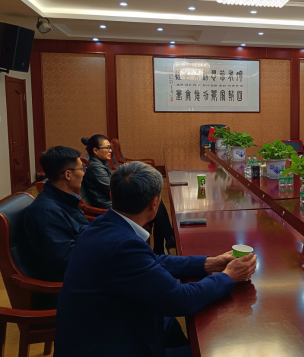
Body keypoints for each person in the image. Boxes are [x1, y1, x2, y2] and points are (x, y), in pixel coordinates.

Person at [55, 162, 258, 357]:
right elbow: (181, 299)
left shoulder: (104, 223)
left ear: (111, 195)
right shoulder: (123, 246)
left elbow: (154, 261)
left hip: (107, 327)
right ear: (155, 204)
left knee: (176, 330)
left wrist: (210, 262)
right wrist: (229, 276)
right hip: (108, 345)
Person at [80, 135, 175, 254]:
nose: (110, 150)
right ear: (95, 150)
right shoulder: (95, 167)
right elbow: (114, 190)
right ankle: (167, 239)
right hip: (108, 205)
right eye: (107, 148)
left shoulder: (100, 162)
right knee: (153, 202)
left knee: (154, 201)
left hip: (114, 199)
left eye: (110, 147)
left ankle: (164, 243)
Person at [24, 146, 89, 308]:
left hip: (83, 271)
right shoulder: (48, 211)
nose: (83, 173)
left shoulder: (62, 200)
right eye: (81, 168)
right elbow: (67, 260)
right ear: (68, 174)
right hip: (73, 287)